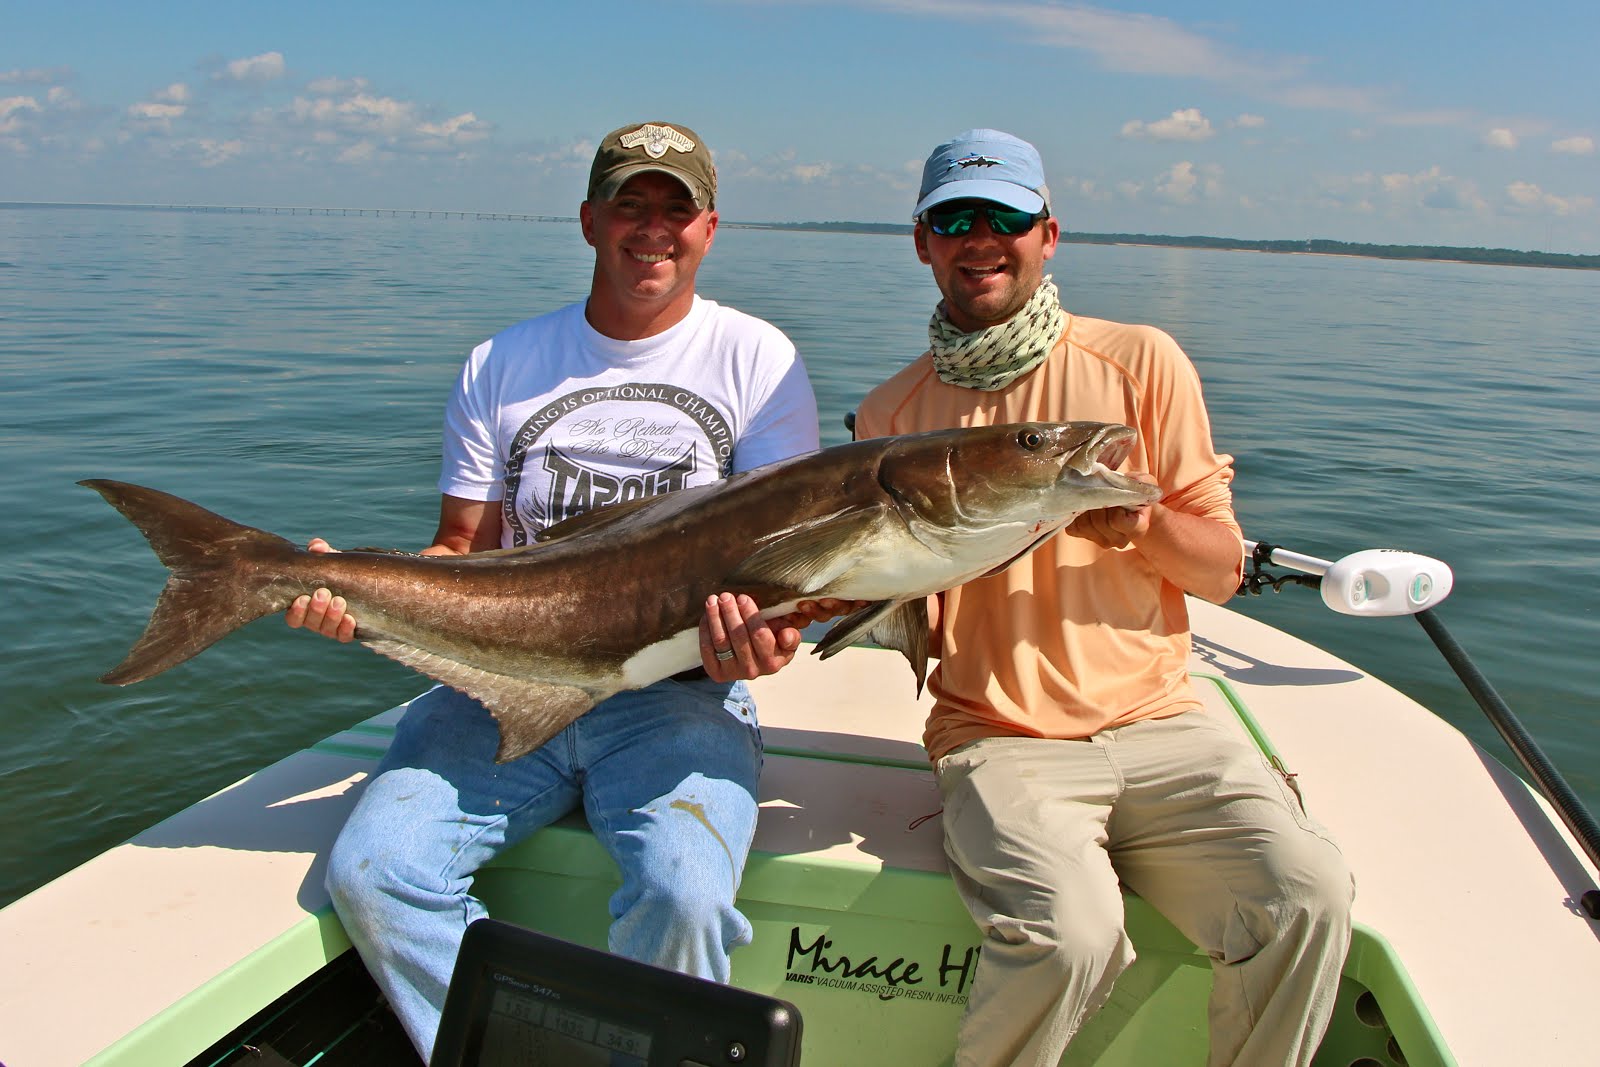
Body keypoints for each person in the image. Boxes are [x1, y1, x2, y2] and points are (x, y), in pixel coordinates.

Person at [285, 121, 834, 1061]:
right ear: (588, 220)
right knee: (374, 874)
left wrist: (767, 641)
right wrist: (357, 599)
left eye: (676, 210)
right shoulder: (501, 362)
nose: (652, 228)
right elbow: (463, 550)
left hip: (678, 693)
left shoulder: (757, 360)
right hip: (502, 681)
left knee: (686, 895)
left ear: (709, 229)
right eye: (630, 204)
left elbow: (786, 582)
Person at [853, 130, 1354, 1067]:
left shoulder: (1141, 364)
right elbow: (903, 610)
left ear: (1048, 234)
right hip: (998, 734)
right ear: (922, 242)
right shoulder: (892, 419)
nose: (980, 237)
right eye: (954, 219)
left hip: (1162, 721)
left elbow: (1221, 569)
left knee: (1307, 893)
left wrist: (1143, 527)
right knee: (1073, 935)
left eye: (1006, 216)